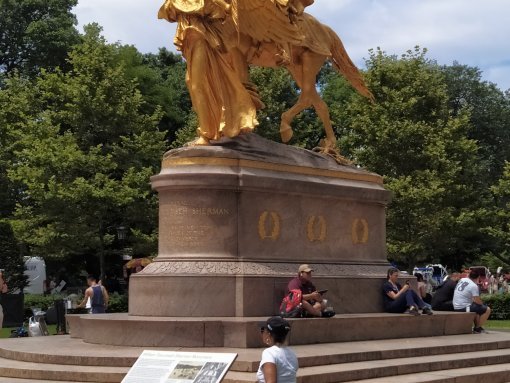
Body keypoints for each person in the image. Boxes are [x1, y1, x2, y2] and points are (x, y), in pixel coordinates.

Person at [257, 316, 298, 383]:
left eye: (263, 330)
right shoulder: (292, 354)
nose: (262, 333)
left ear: (268, 334)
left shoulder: (269, 353)